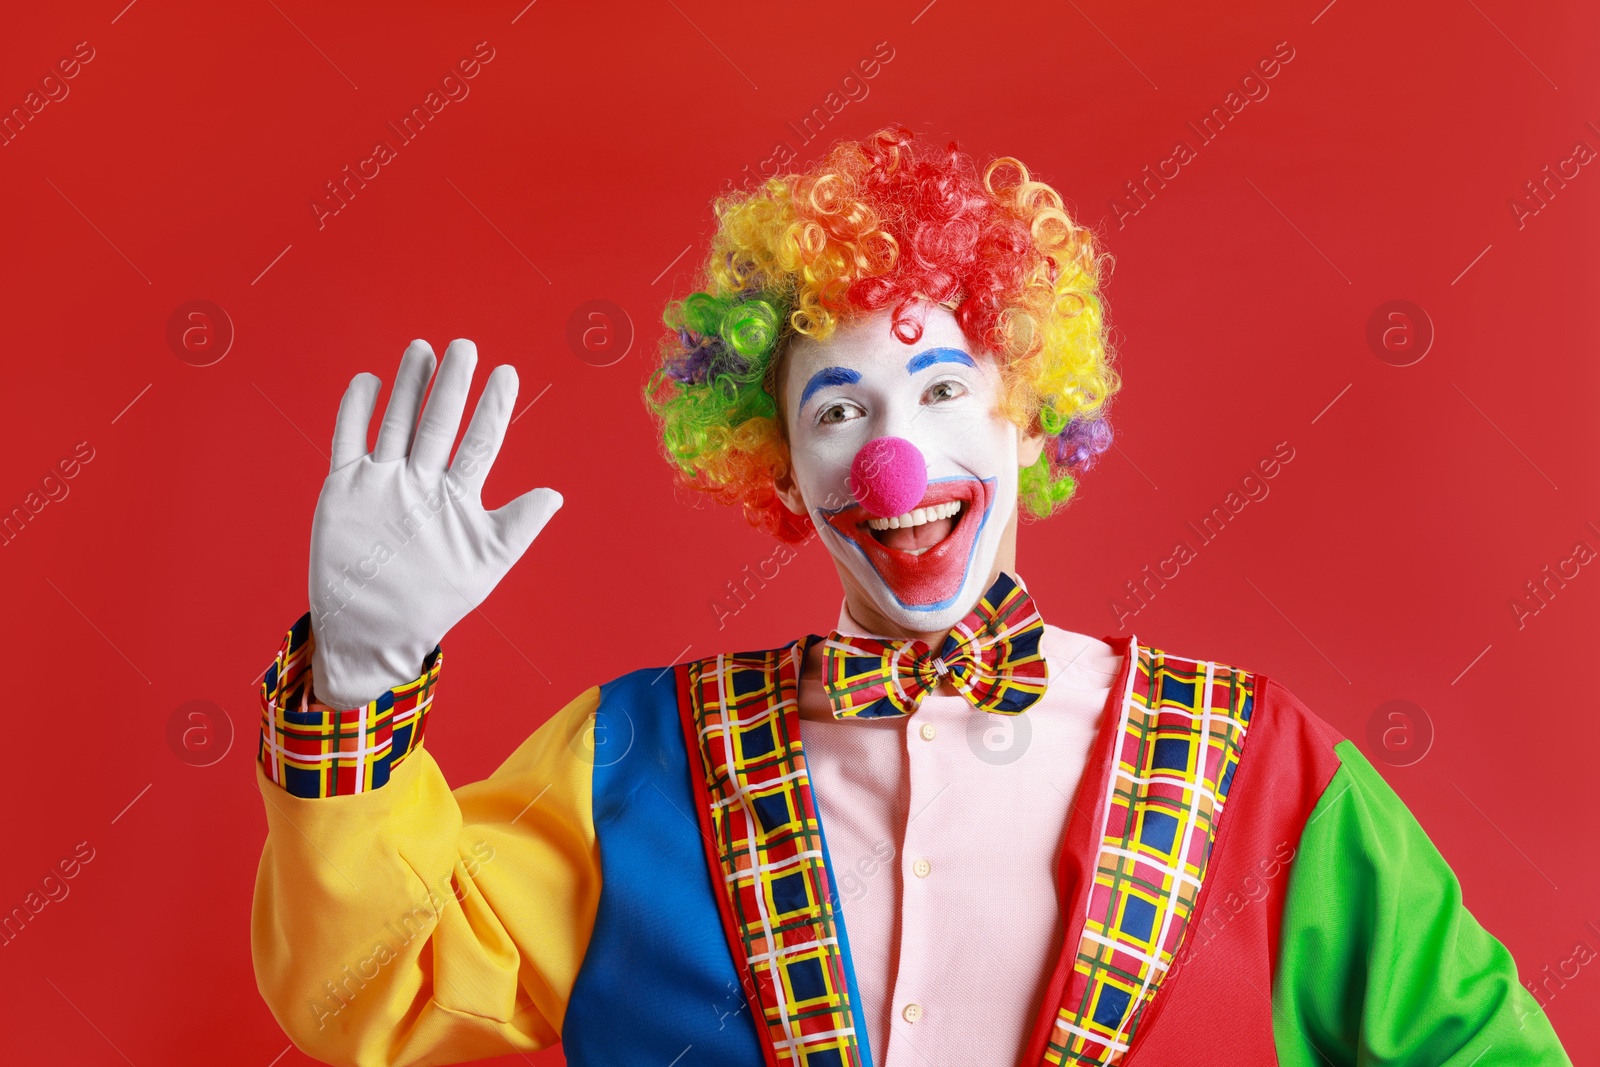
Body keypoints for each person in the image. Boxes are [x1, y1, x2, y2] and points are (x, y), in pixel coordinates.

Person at [250, 126, 1571, 1066]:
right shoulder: (630, 762)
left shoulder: (1264, 768)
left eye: (942, 392)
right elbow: (371, 995)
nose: (895, 456)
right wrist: (359, 676)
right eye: (839, 409)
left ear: (1028, 419)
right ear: (779, 461)